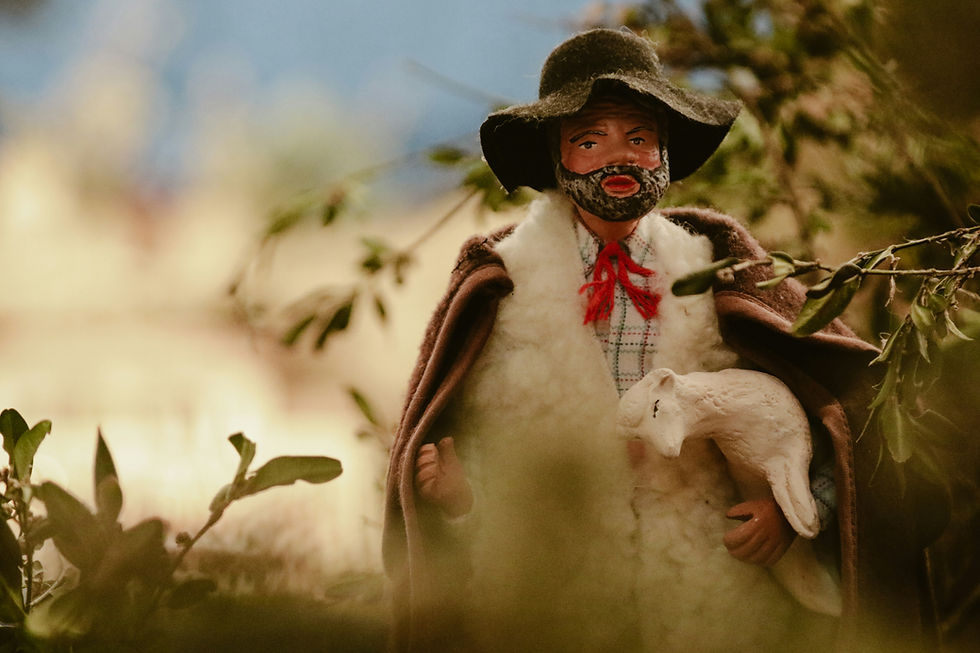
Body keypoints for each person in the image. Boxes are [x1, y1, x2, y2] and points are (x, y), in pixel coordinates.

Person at [383, 27, 937, 653]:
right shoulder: (502, 286)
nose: (618, 157)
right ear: (555, 156)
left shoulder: (720, 270)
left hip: (713, 597)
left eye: (639, 137)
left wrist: (797, 509)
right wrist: (462, 500)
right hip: (560, 605)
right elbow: (492, 450)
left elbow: (841, 413)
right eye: (589, 140)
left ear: (666, 150)